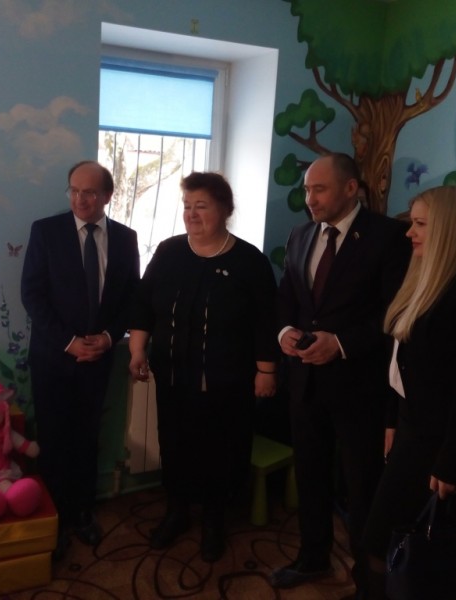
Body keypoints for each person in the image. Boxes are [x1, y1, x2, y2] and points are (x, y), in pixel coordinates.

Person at [272, 153, 412, 597]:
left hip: (359, 386)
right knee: (310, 475)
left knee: (361, 484)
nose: (309, 199)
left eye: (320, 189)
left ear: (351, 188)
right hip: (306, 381)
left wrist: (342, 343)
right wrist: (284, 332)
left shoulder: (389, 237)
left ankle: (367, 574)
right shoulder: (300, 235)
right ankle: (312, 556)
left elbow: (394, 312)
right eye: (307, 190)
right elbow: (288, 297)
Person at [128, 171, 279, 563]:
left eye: (201, 206)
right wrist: (137, 350)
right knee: (174, 442)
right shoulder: (169, 251)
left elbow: (266, 321)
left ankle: (215, 520)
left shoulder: (249, 261)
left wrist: (266, 370)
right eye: (187, 206)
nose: (191, 214)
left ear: (225, 210)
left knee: (221, 448)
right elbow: (144, 303)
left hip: (227, 381)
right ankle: (177, 510)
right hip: (173, 375)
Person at [361, 185, 456, 599]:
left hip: (437, 441)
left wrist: (450, 461)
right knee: (386, 538)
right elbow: (401, 361)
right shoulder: (424, 277)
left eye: (421, 224)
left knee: (392, 542)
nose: (410, 232)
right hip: (412, 429)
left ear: (447, 229)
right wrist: (393, 420)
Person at [21, 160, 139, 558]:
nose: (80, 199)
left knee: (87, 438)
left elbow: (131, 298)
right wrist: (69, 342)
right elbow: (32, 295)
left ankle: (82, 512)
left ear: (107, 195)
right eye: (74, 190)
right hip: (54, 358)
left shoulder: (125, 238)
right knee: (54, 439)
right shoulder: (46, 231)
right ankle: (54, 518)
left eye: (89, 192)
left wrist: (108, 337)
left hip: (99, 358)